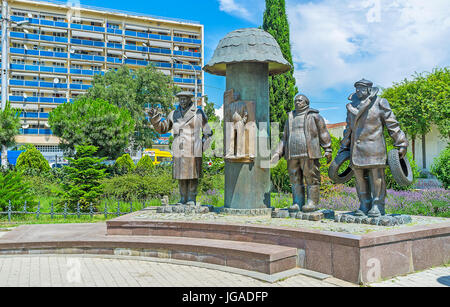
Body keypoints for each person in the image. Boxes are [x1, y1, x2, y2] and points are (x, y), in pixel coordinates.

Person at [339, 79, 408, 217]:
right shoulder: (352, 107)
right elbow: (348, 129)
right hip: (356, 149)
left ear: (369, 90)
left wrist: (401, 142)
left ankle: (378, 205)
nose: (358, 91)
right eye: (357, 88)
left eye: (361, 88)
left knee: (376, 177)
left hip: (374, 147)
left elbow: (392, 124)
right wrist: (343, 147)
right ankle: (364, 204)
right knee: (359, 178)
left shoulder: (380, 102)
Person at [149, 91, 213, 206]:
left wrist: (202, 146)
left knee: (193, 175)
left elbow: (207, 132)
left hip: (194, 148)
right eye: (180, 99)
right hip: (179, 149)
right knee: (181, 175)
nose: (182, 101)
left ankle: (191, 198)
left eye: (184, 99)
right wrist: (155, 120)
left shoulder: (198, 113)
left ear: (190, 99)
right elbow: (163, 128)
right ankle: (183, 198)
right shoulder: (173, 114)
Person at [272, 94, 332, 212]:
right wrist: (277, 153)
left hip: (308, 152)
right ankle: (297, 203)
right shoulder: (290, 117)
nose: (297, 102)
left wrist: (328, 149)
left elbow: (323, 133)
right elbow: (284, 138)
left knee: (311, 177)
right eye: (295, 101)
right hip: (292, 153)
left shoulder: (314, 116)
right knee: (294, 178)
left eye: (300, 100)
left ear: (306, 103)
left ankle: (312, 203)